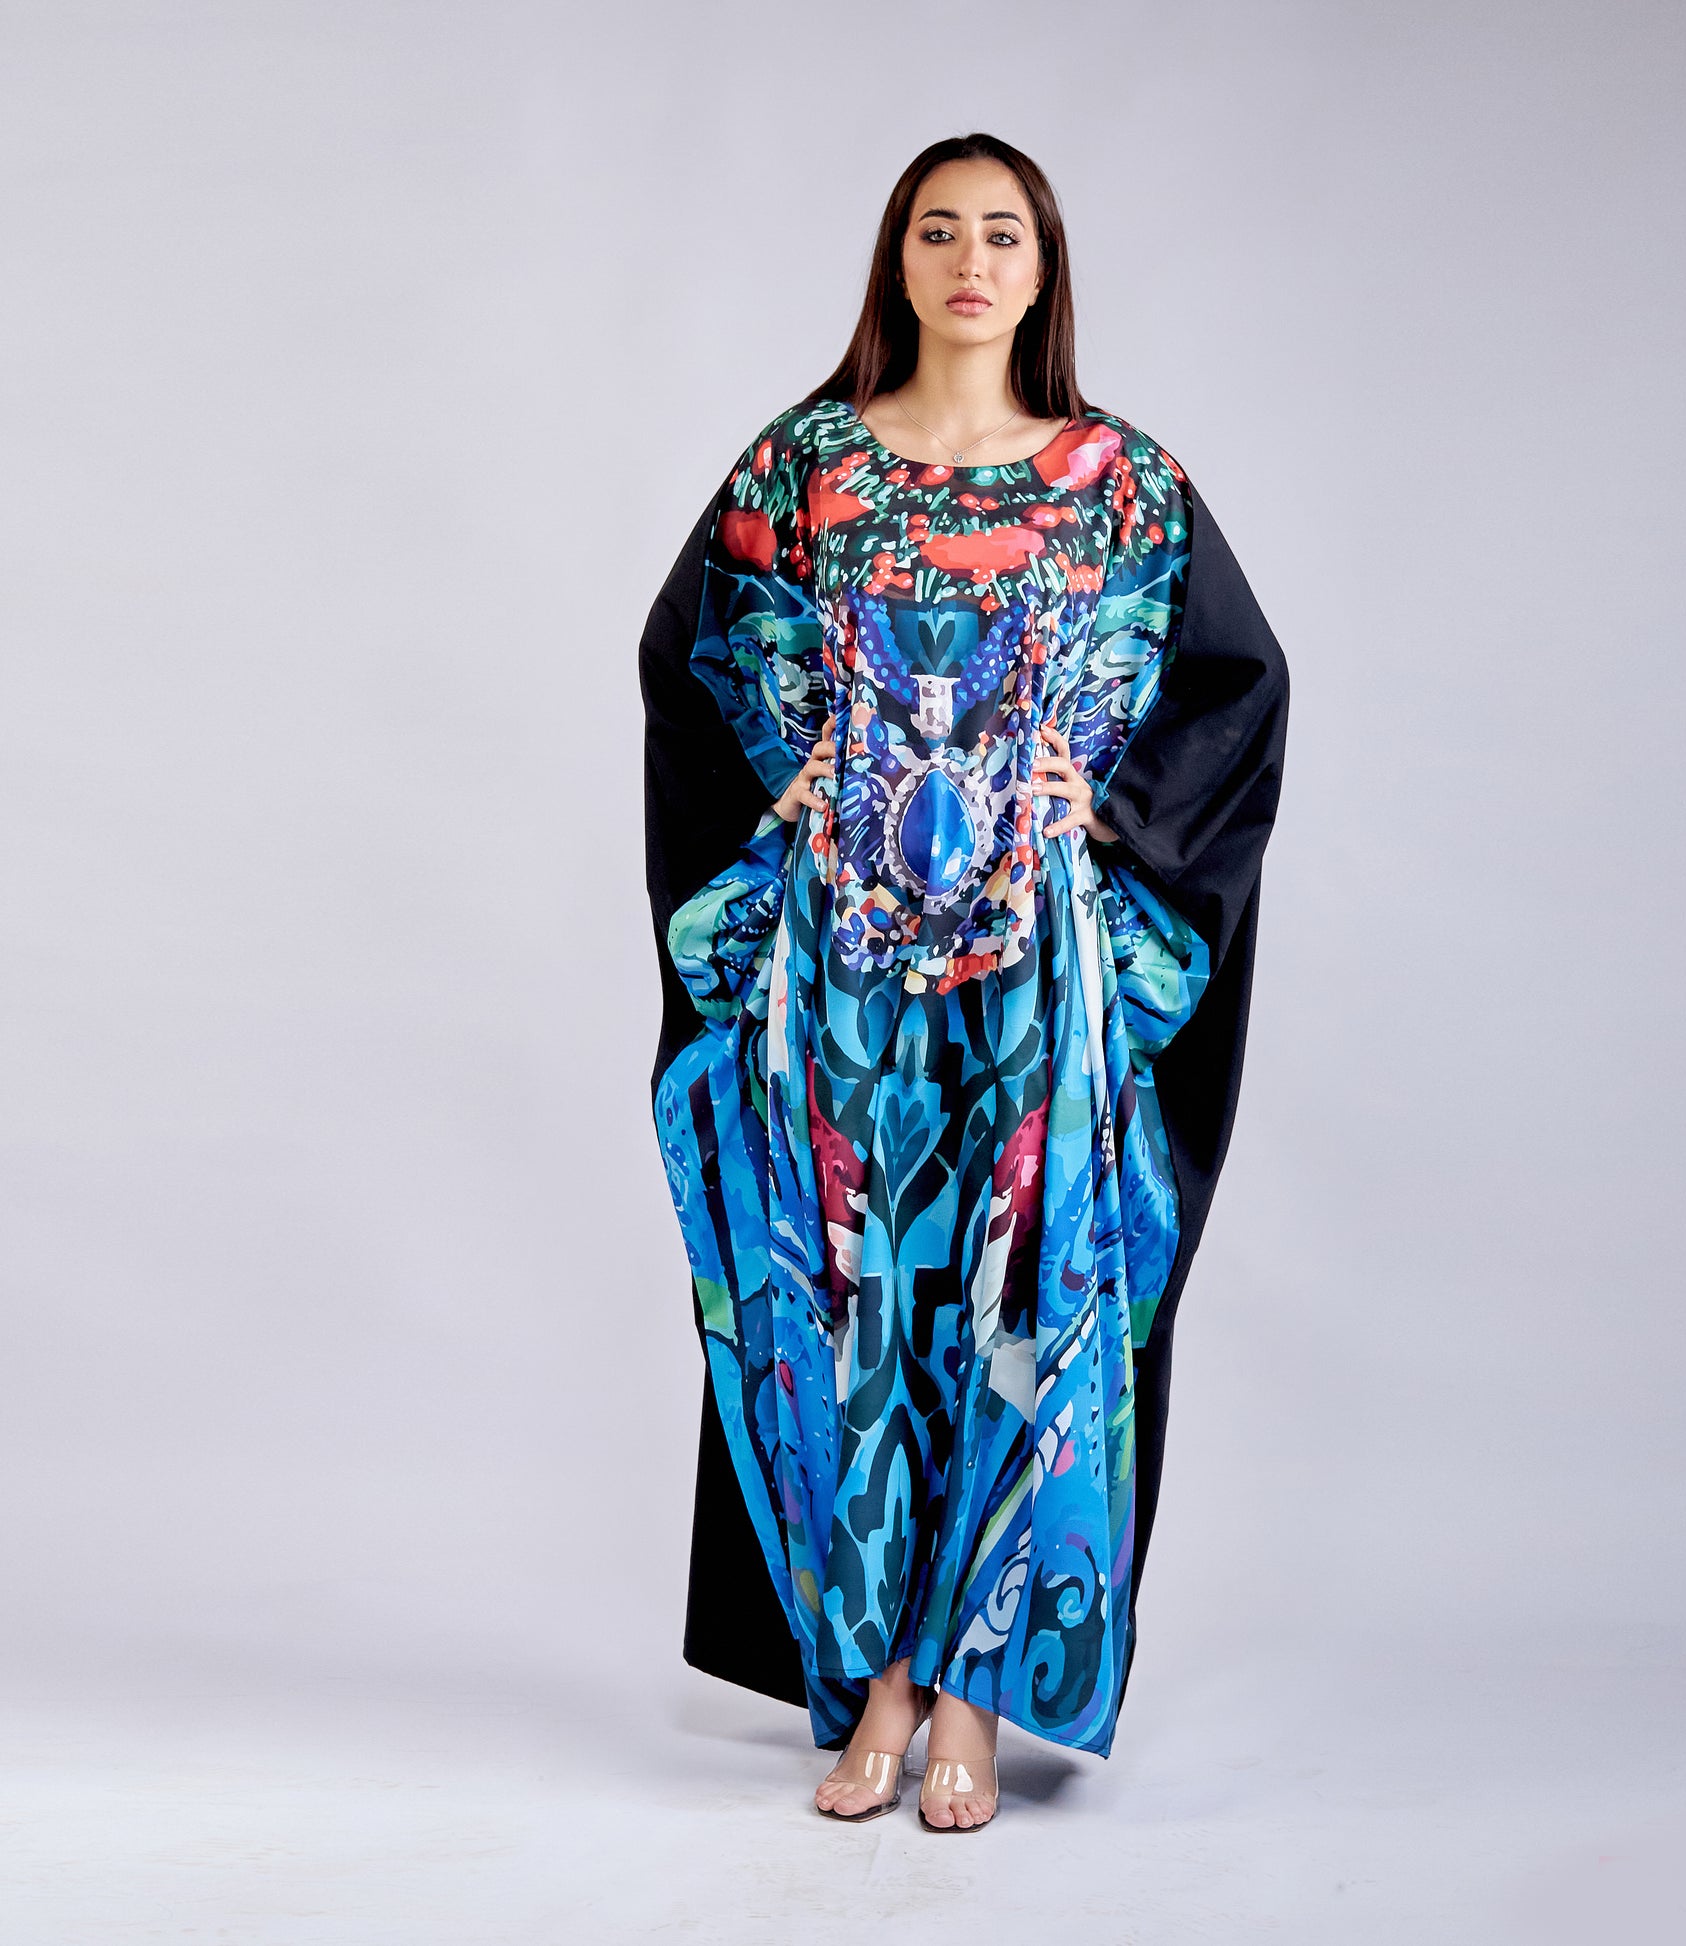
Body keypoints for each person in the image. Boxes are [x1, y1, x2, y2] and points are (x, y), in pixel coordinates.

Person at [637, 132, 1286, 1832]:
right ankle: (876, 1674)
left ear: (1043, 267)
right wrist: (783, 768)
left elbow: (1233, 685)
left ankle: (978, 1688)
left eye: (1003, 233)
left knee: (1021, 1291)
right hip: (843, 964)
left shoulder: (1117, 483)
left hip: (1033, 970)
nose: (971, 260)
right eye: (939, 230)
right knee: (852, 1292)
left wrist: (1113, 805)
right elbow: (693, 654)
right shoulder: (804, 466)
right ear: (897, 260)